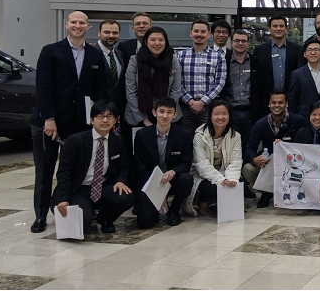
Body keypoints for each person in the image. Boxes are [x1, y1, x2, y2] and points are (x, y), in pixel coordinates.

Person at [30, 11, 108, 233]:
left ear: (88, 27)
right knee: (44, 172)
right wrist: (49, 118)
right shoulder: (51, 51)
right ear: (67, 25)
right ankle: (41, 216)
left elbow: (100, 90)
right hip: (49, 123)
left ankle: (76, 208)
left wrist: (99, 119)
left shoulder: (94, 55)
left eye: (82, 23)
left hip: (79, 124)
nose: (77, 26)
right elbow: (43, 88)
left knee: (76, 170)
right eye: (73, 22)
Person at [51, 100, 134, 234]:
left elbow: (124, 166)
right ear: (92, 119)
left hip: (101, 186)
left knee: (126, 197)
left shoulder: (117, 140)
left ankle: (105, 218)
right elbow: (64, 172)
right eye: (100, 116)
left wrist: (121, 180)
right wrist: (62, 198)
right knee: (83, 223)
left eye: (109, 116)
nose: (105, 120)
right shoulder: (75, 141)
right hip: (77, 189)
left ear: (115, 120)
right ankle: (86, 212)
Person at [132, 97, 193, 228]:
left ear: (175, 114)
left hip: (172, 179)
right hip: (150, 180)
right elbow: (140, 167)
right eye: (161, 111)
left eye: (169, 112)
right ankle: (148, 206)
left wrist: (173, 172)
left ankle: (175, 210)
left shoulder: (184, 135)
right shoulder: (142, 135)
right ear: (154, 113)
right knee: (145, 222)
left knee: (186, 179)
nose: (165, 116)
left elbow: (186, 164)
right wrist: (158, 192)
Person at [242, 89, 309, 208]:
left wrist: (286, 146)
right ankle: (266, 193)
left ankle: (294, 193)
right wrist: (255, 159)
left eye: (280, 102)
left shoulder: (299, 121)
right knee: (248, 169)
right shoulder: (261, 124)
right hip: (269, 163)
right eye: (273, 103)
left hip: (293, 164)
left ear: (287, 104)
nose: (277, 105)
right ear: (269, 104)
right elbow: (249, 148)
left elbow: (307, 144)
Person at [186, 100, 243, 217]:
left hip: (224, 171)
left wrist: (231, 179)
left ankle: (223, 204)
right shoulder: (200, 135)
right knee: (212, 187)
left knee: (240, 182)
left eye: (224, 114)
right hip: (203, 175)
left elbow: (235, 161)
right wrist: (221, 180)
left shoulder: (235, 136)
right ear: (210, 116)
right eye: (216, 114)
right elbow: (202, 165)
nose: (220, 117)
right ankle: (203, 201)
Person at [124, 27, 183, 128]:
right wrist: (144, 120)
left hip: (168, 115)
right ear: (146, 42)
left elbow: (176, 90)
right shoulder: (135, 60)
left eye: (161, 40)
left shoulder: (173, 60)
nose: (157, 43)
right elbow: (131, 93)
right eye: (153, 40)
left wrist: (165, 114)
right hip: (139, 114)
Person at [177, 20, 227, 133]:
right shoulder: (179, 56)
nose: (199, 34)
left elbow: (220, 82)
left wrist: (202, 102)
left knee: (208, 140)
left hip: (209, 108)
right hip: (185, 108)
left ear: (209, 34)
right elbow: (176, 83)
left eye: (203, 32)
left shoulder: (218, 57)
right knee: (186, 141)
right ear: (191, 33)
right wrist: (190, 102)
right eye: (196, 31)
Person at [251, 15, 302, 121]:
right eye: (275, 26)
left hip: (291, 102)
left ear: (286, 28)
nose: (278, 29)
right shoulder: (259, 51)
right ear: (269, 28)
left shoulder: (297, 50)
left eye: (281, 26)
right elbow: (256, 79)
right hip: (266, 103)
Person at [219, 29, 260, 148]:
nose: (240, 43)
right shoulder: (223, 61)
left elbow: (262, 88)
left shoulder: (256, 62)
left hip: (250, 112)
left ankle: (245, 166)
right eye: (237, 40)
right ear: (231, 43)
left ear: (248, 43)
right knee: (229, 144)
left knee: (249, 145)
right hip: (229, 111)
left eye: (243, 41)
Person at [288, 39, 320, 119]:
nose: (313, 53)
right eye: (309, 50)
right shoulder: (297, 74)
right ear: (305, 54)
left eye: (316, 50)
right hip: (303, 118)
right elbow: (292, 101)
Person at [96, 19, 128, 127]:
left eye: (115, 33)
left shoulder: (120, 54)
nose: (111, 35)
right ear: (99, 33)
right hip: (98, 112)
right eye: (107, 32)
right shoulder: (90, 53)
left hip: (117, 111)